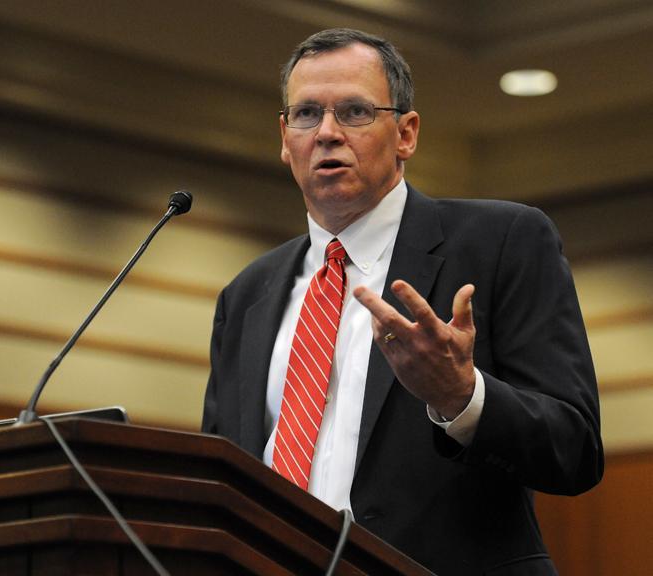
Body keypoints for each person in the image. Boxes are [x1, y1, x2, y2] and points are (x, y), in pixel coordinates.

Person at [202, 28, 603, 575]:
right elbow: (220, 480)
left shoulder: (502, 241)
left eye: (354, 112)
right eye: (306, 114)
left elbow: (574, 450)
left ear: (406, 133)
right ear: (283, 135)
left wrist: (462, 397)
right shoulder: (247, 294)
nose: (326, 133)